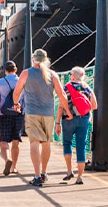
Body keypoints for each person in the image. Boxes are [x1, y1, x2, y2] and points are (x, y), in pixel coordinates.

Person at [13, 48, 71, 187]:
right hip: (49, 113)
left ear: (33, 59)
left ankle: (37, 175)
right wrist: (68, 111)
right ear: (46, 60)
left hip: (32, 112)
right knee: (46, 143)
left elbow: (16, 91)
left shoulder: (26, 73)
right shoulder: (53, 75)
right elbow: (62, 94)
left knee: (34, 143)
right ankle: (44, 173)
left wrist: (16, 104)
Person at [55, 66, 97, 185]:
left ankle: (69, 171)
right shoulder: (87, 88)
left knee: (67, 144)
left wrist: (57, 123)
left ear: (73, 76)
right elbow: (94, 106)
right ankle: (80, 177)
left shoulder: (66, 88)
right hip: (83, 120)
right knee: (81, 147)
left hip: (68, 119)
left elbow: (60, 106)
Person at [0, 60, 24, 176]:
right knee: (16, 141)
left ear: (5, 70)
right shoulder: (21, 81)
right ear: (16, 70)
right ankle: (14, 167)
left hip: (4, 114)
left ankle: (7, 160)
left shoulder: (1, 82)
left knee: (3, 141)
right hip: (18, 113)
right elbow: (24, 99)